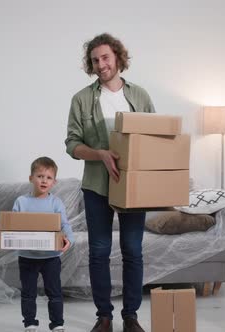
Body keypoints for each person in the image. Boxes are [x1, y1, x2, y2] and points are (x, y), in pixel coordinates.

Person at [65, 33, 155, 332]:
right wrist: (99, 154)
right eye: (95, 60)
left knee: (132, 249)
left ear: (117, 57)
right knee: (99, 251)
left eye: (105, 57)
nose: (100, 64)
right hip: (96, 186)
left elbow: (155, 138)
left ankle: (131, 316)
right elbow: (72, 144)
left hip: (133, 188)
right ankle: (104, 317)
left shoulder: (139, 96)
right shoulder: (82, 99)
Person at [12, 156, 75, 332]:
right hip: (27, 256)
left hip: (51, 257)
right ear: (31, 178)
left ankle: (57, 324)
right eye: (40, 176)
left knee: (54, 293)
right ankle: (30, 323)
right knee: (28, 293)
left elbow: (65, 225)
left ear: (54, 182)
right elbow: (13, 226)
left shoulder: (56, 203)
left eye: (48, 177)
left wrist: (68, 239)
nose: (43, 180)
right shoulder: (21, 202)